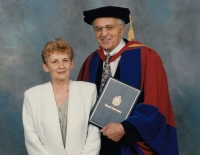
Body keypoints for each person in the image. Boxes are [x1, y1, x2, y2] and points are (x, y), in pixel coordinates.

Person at [77, 6, 179, 155]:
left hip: (130, 145)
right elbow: (81, 102)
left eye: (109, 27)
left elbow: (155, 103)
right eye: (98, 29)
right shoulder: (91, 61)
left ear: (122, 29)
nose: (103, 34)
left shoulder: (147, 57)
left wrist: (126, 127)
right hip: (96, 145)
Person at [22, 38, 101, 155]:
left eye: (65, 60)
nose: (61, 66)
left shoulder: (89, 91)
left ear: (72, 64)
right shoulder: (32, 96)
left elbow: (94, 134)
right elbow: (31, 138)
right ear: (46, 66)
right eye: (54, 61)